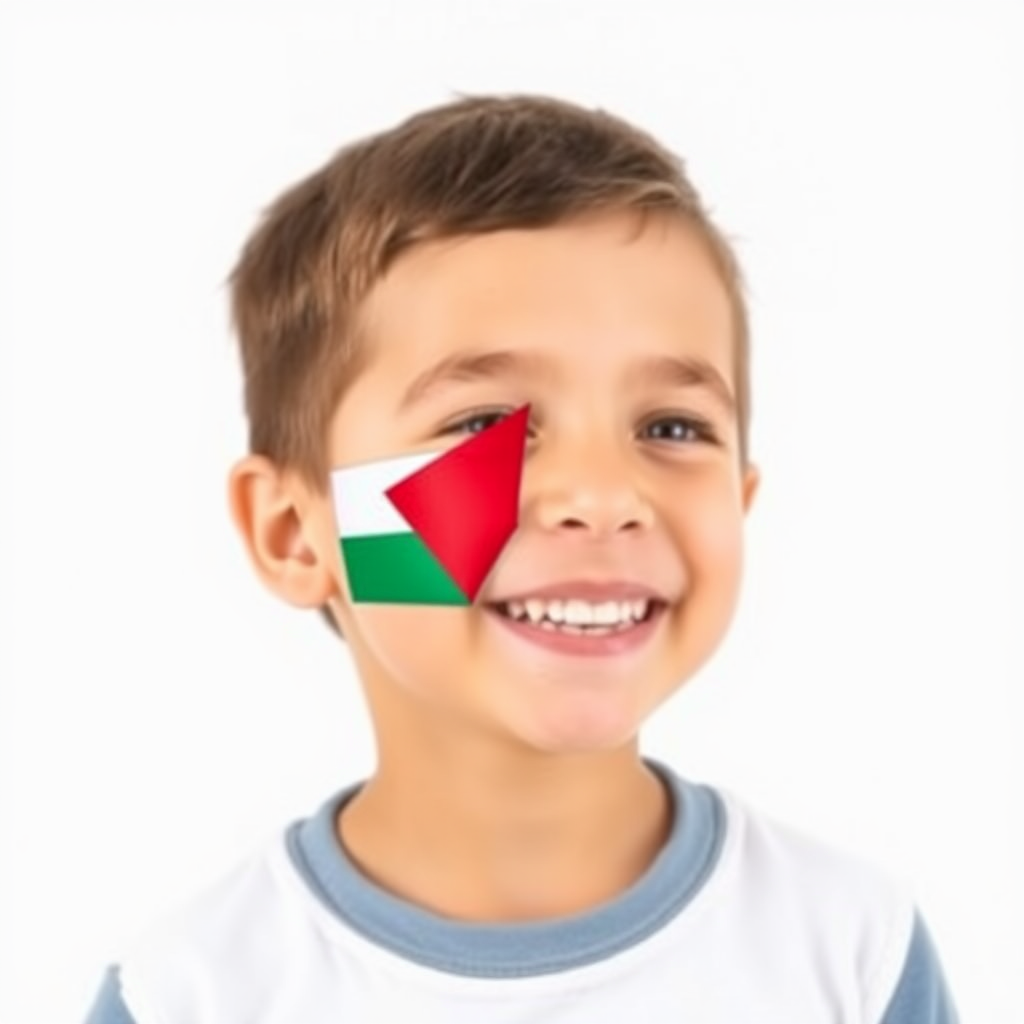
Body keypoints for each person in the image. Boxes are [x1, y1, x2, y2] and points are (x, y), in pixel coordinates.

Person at [84, 93, 958, 1023]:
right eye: (481, 425)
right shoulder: (192, 994)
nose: (604, 496)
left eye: (672, 426)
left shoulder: (853, 949)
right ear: (297, 533)